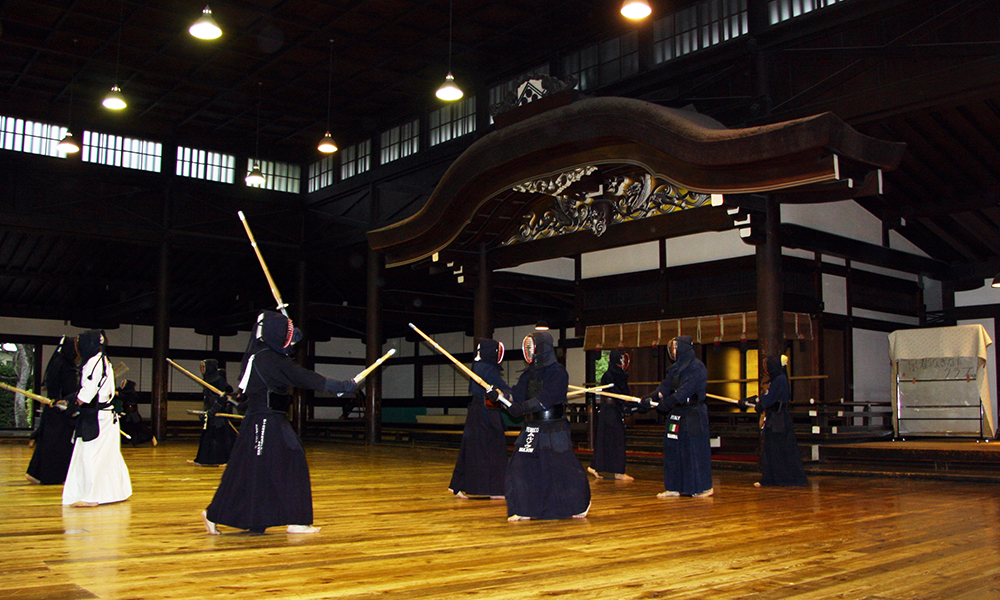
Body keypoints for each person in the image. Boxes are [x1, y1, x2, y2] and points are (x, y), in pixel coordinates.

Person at [202, 310, 357, 535]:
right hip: (263, 422)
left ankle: (294, 519)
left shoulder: (265, 354)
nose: (289, 340)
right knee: (252, 470)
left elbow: (295, 343)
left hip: (270, 420)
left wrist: (291, 329)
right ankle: (215, 513)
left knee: (284, 463)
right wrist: (342, 386)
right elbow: (304, 377)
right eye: (285, 333)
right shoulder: (268, 358)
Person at [493, 331, 590, 521]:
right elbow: (517, 394)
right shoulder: (528, 375)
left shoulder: (558, 372)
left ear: (542, 348)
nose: (529, 352)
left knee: (563, 466)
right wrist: (501, 396)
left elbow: (548, 397)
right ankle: (524, 507)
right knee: (520, 465)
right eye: (527, 348)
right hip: (532, 426)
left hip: (553, 427)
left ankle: (579, 504)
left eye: (532, 347)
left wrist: (523, 407)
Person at [62, 330, 132, 507]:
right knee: (106, 456)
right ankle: (115, 492)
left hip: (97, 417)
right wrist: (71, 399)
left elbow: (89, 390)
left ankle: (92, 496)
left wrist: (74, 405)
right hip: (104, 415)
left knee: (90, 455)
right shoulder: (103, 361)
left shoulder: (94, 362)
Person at [640, 335, 713, 498]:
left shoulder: (697, 368)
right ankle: (674, 486)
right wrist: (651, 397)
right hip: (676, 414)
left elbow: (685, 391)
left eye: (675, 347)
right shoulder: (674, 369)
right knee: (673, 449)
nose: (673, 351)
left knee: (694, 450)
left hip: (693, 413)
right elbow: (665, 387)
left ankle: (702, 487)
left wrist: (668, 402)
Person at [448, 338, 512, 499]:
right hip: (484, 413)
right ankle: (494, 489)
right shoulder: (485, 367)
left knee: (473, 449)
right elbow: (501, 387)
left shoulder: (481, 366)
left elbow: (499, 389)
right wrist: (510, 394)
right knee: (489, 450)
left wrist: (509, 394)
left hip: (482, 411)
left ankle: (459, 486)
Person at [739, 355, 808, 487]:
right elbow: (767, 397)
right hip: (775, 419)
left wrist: (760, 404)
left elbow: (770, 399)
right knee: (771, 449)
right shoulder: (777, 379)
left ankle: (785, 478)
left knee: (780, 450)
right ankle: (771, 478)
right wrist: (752, 400)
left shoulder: (780, 380)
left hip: (779, 420)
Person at [25, 335, 80, 485]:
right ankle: (54, 477)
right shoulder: (66, 366)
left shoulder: (56, 361)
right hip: (61, 412)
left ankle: (35, 474)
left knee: (46, 443)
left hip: (51, 410)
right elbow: (69, 391)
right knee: (58, 446)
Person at [588, 349, 634, 481]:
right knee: (610, 440)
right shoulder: (609, 375)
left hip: (615, 409)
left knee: (615, 440)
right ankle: (598, 467)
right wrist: (624, 400)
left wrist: (629, 402)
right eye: (621, 359)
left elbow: (623, 392)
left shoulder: (619, 374)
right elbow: (615, 391)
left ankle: (615, 470)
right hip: (609, 410)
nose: (623, 362)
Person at [190, 359, 237, 466]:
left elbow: (222, 397)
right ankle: (202, 459)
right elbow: (207, 398)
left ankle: (225, 460)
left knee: (220, 437)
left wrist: (214, 410)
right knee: (206, 436)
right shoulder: (207, 379)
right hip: (210, 411)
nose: (202, 370)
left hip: (218, 412)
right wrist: (205, 411)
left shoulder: (219, 380)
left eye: (204, 367)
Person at [117, 379, 156, 447]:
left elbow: (120, 395)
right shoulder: (125, 392)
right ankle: (128, 441)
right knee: (125, 426)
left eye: (124, 384)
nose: (122, 386)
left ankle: (151, 436)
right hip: (126, 413)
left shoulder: (131, 393)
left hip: (133, 414)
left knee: (140, 426)